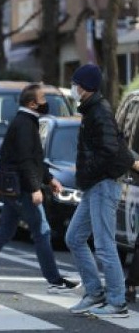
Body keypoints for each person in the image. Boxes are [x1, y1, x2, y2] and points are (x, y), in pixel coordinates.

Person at [0, 83, 80, 294]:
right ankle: (54, 280)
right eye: (43, 99)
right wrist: (35, 187)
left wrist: (49, 179)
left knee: (5, 230)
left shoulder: (25, 122)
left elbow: (34, 159)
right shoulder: (25, 124)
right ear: (32, 103)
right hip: (22, 189)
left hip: (14, 187)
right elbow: (26, 160)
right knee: (42, 231)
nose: (46, 103)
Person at [65, 64, 139, 318]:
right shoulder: (92, 109)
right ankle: (95, 292)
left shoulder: (99, 111)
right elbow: (114, 145)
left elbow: (110, 149)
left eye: (75, 84)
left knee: (105, 244)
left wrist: (90, 172)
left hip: (103, 183)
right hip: (94, 184)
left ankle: (117, 301)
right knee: (74, 237)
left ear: (84, 87)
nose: (73, 88)